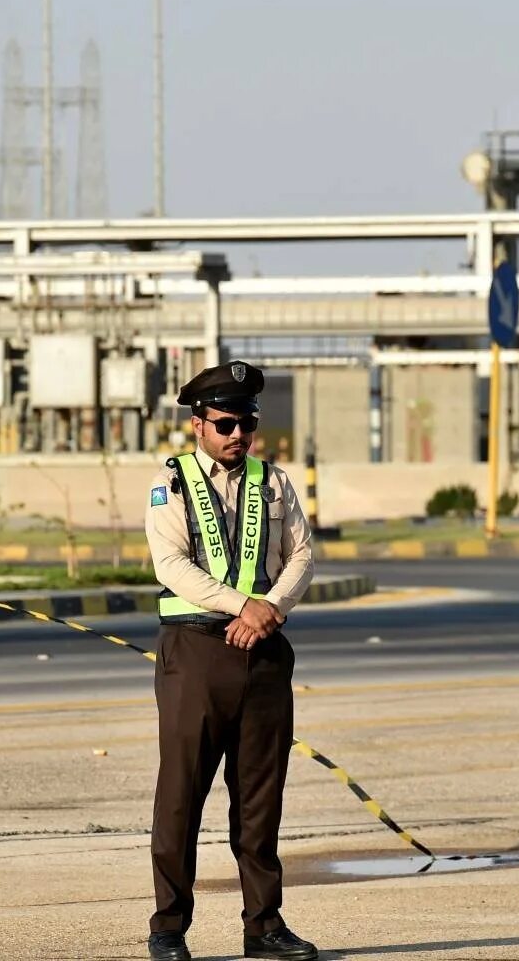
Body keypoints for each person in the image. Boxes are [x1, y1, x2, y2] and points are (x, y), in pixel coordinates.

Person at [143, 360, 319, 961]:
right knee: (180, 797)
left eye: (245, 423)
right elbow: (172, 566)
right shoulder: (171, 484)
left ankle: (264, 928)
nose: (236, 434)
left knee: (260, 802)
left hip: (264, 655)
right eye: (224, 424)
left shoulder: (275, 483)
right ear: (198, 424)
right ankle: (168, 928)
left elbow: (302, 555)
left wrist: (266, 609)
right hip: (196, 656)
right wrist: (242, 605)